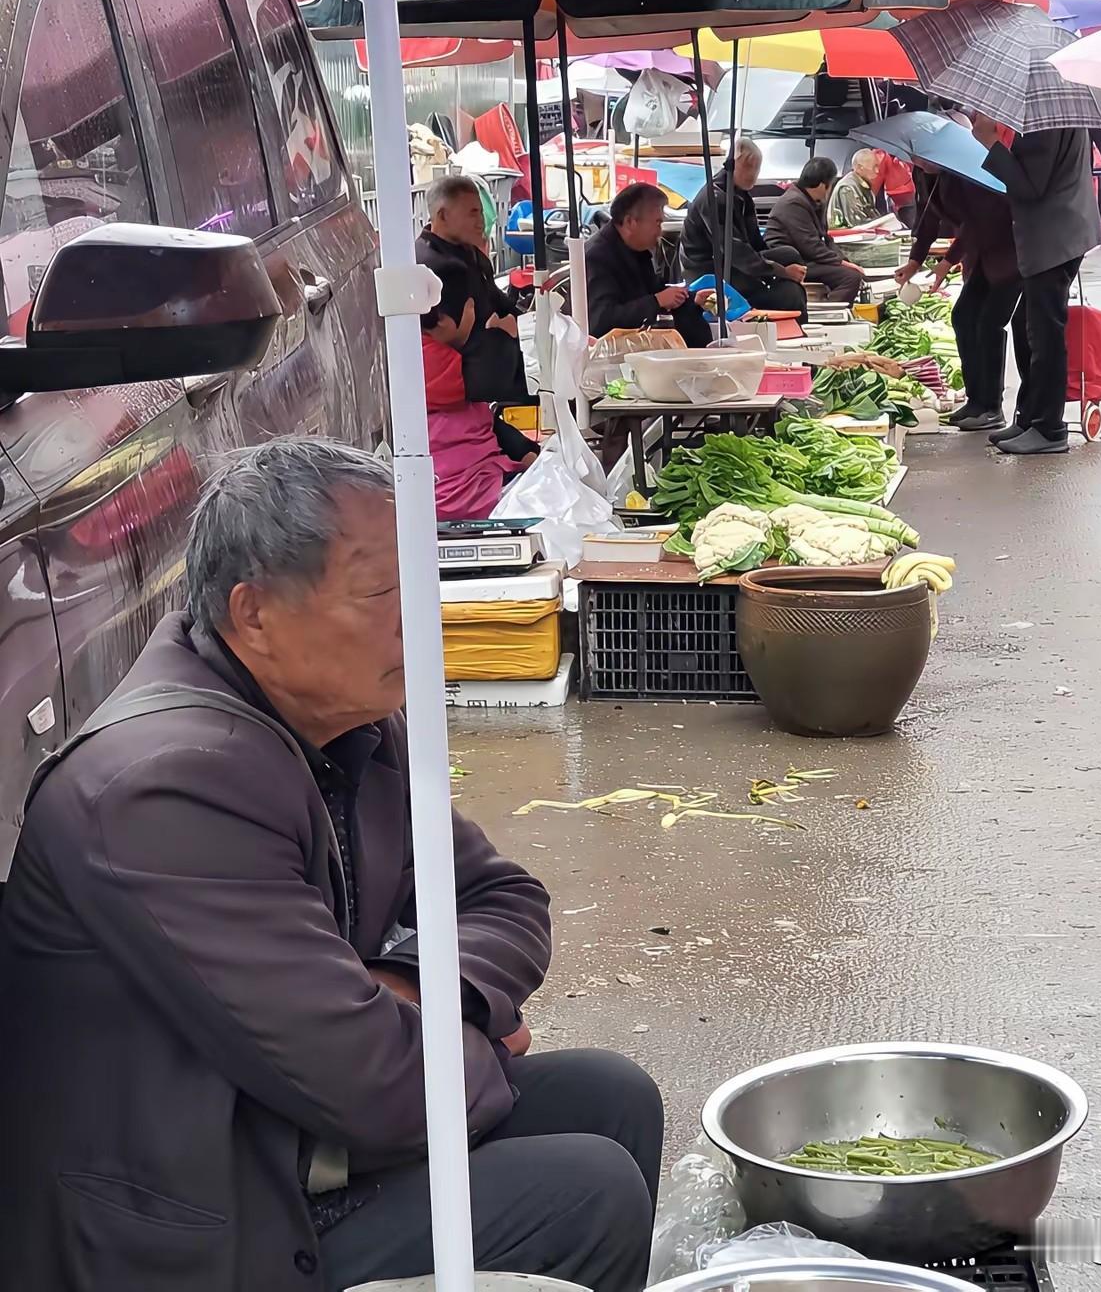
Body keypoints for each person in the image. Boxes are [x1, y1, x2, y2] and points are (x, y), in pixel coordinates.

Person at [0, 440, 665, 1292]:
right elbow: (382, 1090)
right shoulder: (160, 787)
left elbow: (503, 896)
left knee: (612, 1095)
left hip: (294, 1138)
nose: (416, 618)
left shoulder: (346, 718)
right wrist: (478, 1043)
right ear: (254, 616)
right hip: (196, 1218)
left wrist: (423, 991)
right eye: (381, 593)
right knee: (585, 1193)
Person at [972, 118, 1101, 456]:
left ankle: (1049, 426)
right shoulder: (1052, 114)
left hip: (1054, 238)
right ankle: (1030, 415)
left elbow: (1030, 186)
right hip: (1057, 234)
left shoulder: (1046, 122)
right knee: (1026, 324)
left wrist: (991, 143)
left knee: (1045, 332)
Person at [417, 174, 537, 519]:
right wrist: (501, 333)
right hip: (454, 427)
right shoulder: (435, 267)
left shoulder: (468, 255)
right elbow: (471, 338)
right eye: (471, 212)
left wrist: (521, 324)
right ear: (441, 216)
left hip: (472, 411)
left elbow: (496, 308)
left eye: (480, 211)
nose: (481, 220)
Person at [895, 165, 1022, 431]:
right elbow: (928, 218)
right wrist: (915, 262)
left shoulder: (965, 173)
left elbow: (977, 223)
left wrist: (947, 261)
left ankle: (991, 407)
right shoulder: (925, 173)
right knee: (963, 317)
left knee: (989, 324)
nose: (917, 159)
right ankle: (976, 400)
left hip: (1007, 253)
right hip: (982, 256)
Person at [681, 137, 808, 315]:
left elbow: (755, 243)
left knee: (789, 254)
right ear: (731, 165)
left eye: (757, 168)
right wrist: (782, 272)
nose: (753, 174)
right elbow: (735, 251)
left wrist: (775, 268)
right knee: (789, 293)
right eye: (748, 167)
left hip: (735, 261)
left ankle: (780, 290)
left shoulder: (742, 195)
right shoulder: (715, 198)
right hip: (709, 267)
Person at [586, 181, 712, 345]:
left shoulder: (635, 249)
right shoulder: (597, 257)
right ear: (631, 222)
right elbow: (601, 320)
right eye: (657, 223)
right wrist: (656, 301)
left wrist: (692, 298)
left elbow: (656, 290)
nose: (660, 231)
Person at [763, 155, 866, 304]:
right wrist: (843, 264)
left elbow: (825, 238)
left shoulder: (815, 201)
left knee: (850, 270)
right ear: (823, 185)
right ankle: (831, 313)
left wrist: (843, 259)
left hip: (807, 256)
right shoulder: (794, 203)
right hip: (791, 261)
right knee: (850, 277)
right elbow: (811, 245)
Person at [827, 148, 883, 229]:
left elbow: (873, 214)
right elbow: (857, 223)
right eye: (874, 167)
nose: (877, 171)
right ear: (860, 168)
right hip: (847, 237)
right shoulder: (848, 188)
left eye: (878, 167)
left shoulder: (865, 185)